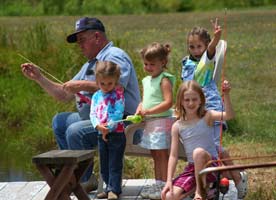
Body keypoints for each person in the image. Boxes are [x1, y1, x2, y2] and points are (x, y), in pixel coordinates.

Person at [21, 17, 141, 192]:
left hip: (120, 122)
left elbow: (117, 87)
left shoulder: (114, 55)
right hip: (95, 119)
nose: (80, 46)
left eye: (82, 40)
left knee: (75, 131)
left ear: (97, 37)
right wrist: (39, 78)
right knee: (60, 121)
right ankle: (72, 175)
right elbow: (63, 94)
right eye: (78, 42)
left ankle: (82, 180)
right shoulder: (91, 64)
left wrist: (82, 85)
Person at [180, 18, 247, 199]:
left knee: (214, 147)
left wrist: (216, 40)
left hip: (210, 107)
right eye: (191, 46)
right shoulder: (186, 62)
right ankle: (214, 183)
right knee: (206, 148)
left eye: (199, 46)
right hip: (194, 109)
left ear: (206, 45)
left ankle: (236, 178)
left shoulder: (205, 61)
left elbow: (210, 52)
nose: (195, 50)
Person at [161, 80, 234, 200]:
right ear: (181, 101)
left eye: (194, 99)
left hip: (211, 165)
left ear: (201, 100)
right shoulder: (177, 126)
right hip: (193, 168)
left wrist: (226, 94)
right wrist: (168, 181)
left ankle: (200, 193)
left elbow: (229, 115)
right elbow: (173, 156)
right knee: (169, 196)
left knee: (198, 152)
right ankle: (201, 190)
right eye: (187, 100)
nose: (191, 103)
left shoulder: (207, 116)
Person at [136, 42, 175, 200]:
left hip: (161, 121)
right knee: (154, 153)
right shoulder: (146, 80)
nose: (148, 67)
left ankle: (165, 183)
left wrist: (149, 111)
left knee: (161, 154)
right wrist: (140, 108)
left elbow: (168, 102)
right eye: (146, 64)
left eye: (152, 64)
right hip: (150, 122)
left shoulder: (163, 79)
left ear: (163, 63)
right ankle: (158, 182)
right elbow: (145, 100)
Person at [90, 61, 125, 200]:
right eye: (102, 84)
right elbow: (93, 113)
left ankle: (114, 190)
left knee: (114, 163)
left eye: (110, 83)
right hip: (101, 134)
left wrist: (108, 128)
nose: (106, 87)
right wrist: (97, 125)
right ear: (97, 81)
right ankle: (107, 186)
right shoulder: (96, 96)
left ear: (115, 81)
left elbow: (118, 114)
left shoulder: (118, 95)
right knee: (104, 163)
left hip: (116, 134)